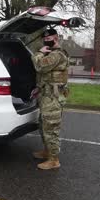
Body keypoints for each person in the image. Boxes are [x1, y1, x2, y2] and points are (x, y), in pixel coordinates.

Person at [31, 26, 69, 170]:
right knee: (43, 124)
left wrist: (38, 54)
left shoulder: (57, 55)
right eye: (44, 39)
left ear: (56, 38)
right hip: (45, 95)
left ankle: (54, 160)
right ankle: (47, 151)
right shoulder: (51, 53)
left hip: (53, 97)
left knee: (51, 126)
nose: (46, 41)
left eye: (49, 39)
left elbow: (40, 66)